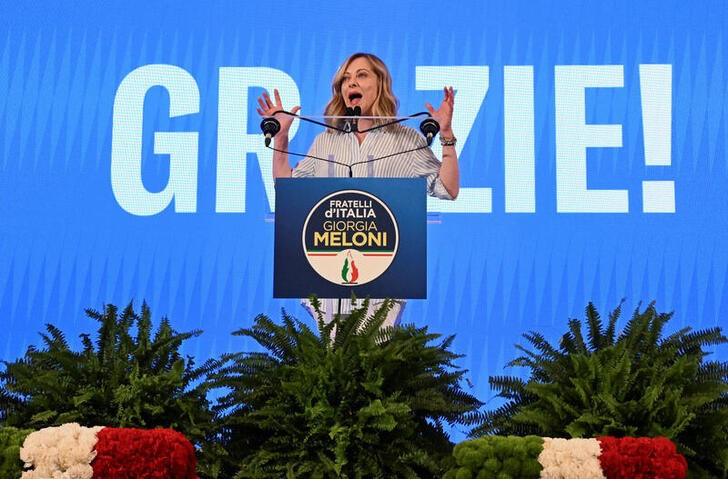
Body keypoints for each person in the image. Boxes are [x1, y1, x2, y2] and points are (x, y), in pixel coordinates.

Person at [257, 52, 459, 328]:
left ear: (380, 84)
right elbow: (288, 193)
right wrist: (281, 139)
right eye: (346, 79)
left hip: (384, 280)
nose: (351, 82)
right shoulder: (325, 142)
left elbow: (447, 187)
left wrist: (446, 135)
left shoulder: (406, 140)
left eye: (361, 75)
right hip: (327, 281)